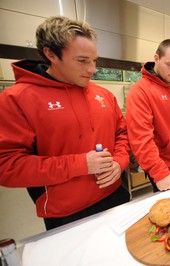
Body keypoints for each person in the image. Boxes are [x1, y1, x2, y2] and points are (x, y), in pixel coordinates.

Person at [0, 16, 130, 230]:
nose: (92, 69)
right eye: (82, 61)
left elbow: (121, 134)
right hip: (66, 213)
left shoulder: (104, 95)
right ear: (51, 54)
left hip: (115, 196)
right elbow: (7, 166)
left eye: (94, 60)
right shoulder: (18, 99)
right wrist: (80, 164)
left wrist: (119, 162)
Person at [126, 39, 170, 193]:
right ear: (156, 58)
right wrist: (160, 173)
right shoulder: (140, 91)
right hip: (163, 167)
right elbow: (140, 138)